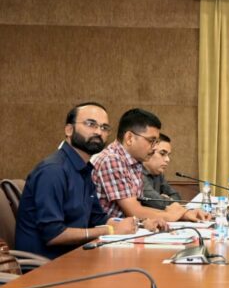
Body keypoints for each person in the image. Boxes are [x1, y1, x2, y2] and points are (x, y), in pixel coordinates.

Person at [15, 102, 138, 259]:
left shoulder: (85, 169)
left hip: (77, 257)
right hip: (47, 266)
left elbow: (97, 218)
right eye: (90, 124)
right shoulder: (53, 171)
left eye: (104, 127)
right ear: (69, 130)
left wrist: (137, 224)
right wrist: (110, 230)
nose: (98, 132)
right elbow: (54, 235)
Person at [92, 108, 207, 222]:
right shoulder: (112, 160)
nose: (155, 147)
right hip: (108, 231)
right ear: (129, 138)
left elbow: (138, 209)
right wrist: (172, 215)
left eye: (156, 142)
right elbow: (134, 211)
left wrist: (184, 214)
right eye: (151, 141)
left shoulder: (134, 161)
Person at [140, 133, 182, 210]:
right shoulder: (137, 173)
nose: (168, 159)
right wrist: (166, 200)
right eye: (162, 154)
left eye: (168, 155)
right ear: (149, 151)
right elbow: (158, 203)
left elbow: (176, 196)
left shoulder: (158, 174)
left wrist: (166, 200)